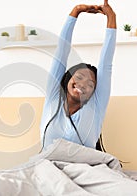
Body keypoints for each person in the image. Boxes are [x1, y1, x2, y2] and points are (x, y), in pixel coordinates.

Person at [40, 0, 117, 151]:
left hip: (85, 170)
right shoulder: (53, 98)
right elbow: (61, 53)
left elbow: (106, 63)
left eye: (90, 84)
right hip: (48, 168)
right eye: (79, 77)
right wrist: (75, 12)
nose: (83, 84)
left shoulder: (96, 106)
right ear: (68, 79)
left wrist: (111, 18)